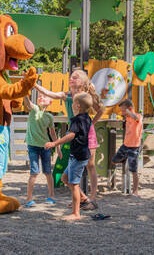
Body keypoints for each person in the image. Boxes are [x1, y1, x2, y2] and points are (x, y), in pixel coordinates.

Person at [35, 69, 104, 210]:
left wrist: (91, 123)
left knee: (90, 166)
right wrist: (34, 84)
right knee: (72, 168)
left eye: (75, 77)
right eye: (71, 76)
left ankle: (93, 199)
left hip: (86, 133)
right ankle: (81, 198)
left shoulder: (85, 96)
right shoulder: (67, 95)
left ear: (83, 82)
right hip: (74, 131)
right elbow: (49, 93)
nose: (71, 78)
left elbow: (100, 110)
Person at [44, 92, 93, 220]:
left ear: (76, 105)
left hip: (78, 156)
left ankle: (76, 213)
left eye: (72, 103)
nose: (70, 105)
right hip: (79, 155)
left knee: (74, 184)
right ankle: (83, 198)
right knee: (65, 179)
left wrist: (55, 143)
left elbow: (71, 135)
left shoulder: (77, 120)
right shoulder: (87, 117)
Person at [22, 94, 62, 208]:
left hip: (46, 147)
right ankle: (29, 199)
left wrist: (58, 148)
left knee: (48, 172)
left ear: (50, 102)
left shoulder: (49, 117)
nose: (41, 97)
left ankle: (51, 196)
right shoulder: (34, 109)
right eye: (39, 96)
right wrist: (25, 89)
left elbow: (53, 134)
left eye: (44, 97)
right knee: (34, 172)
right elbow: (27, 102)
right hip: (33, 146)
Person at [111, 99, 143, 197]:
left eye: (123, 110)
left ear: (129, 109)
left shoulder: (137, 116)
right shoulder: (127, 117)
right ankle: (124, 159)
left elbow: (135, 117)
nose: (122, 112)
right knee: (114, 160)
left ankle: (135, 191)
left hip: (134, 147)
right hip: (125, 145)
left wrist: (128, 112)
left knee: (134, 171)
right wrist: (124, 114)